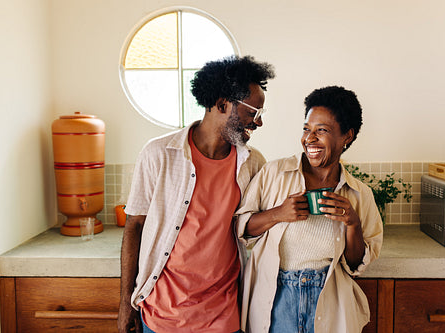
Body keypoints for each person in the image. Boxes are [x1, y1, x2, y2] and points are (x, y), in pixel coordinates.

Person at [118, 55, 275, 333]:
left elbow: (253, 228)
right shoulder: (159, 154)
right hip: (160, 316)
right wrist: (124, 304)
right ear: (222, 104)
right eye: (253, 112)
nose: (258, 123)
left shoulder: (253, 163)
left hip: (223, 316)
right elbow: (135, 226)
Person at [236, 86, 383, 333]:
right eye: (307, 129)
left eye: (322, 131)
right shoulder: (274, 173)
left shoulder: (359, 194)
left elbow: (356, 264)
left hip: (328, 299)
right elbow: (242, 228)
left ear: (347, 135)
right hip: (276, 298)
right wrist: (278, 214)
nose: (309, 138)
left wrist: (352, 224)